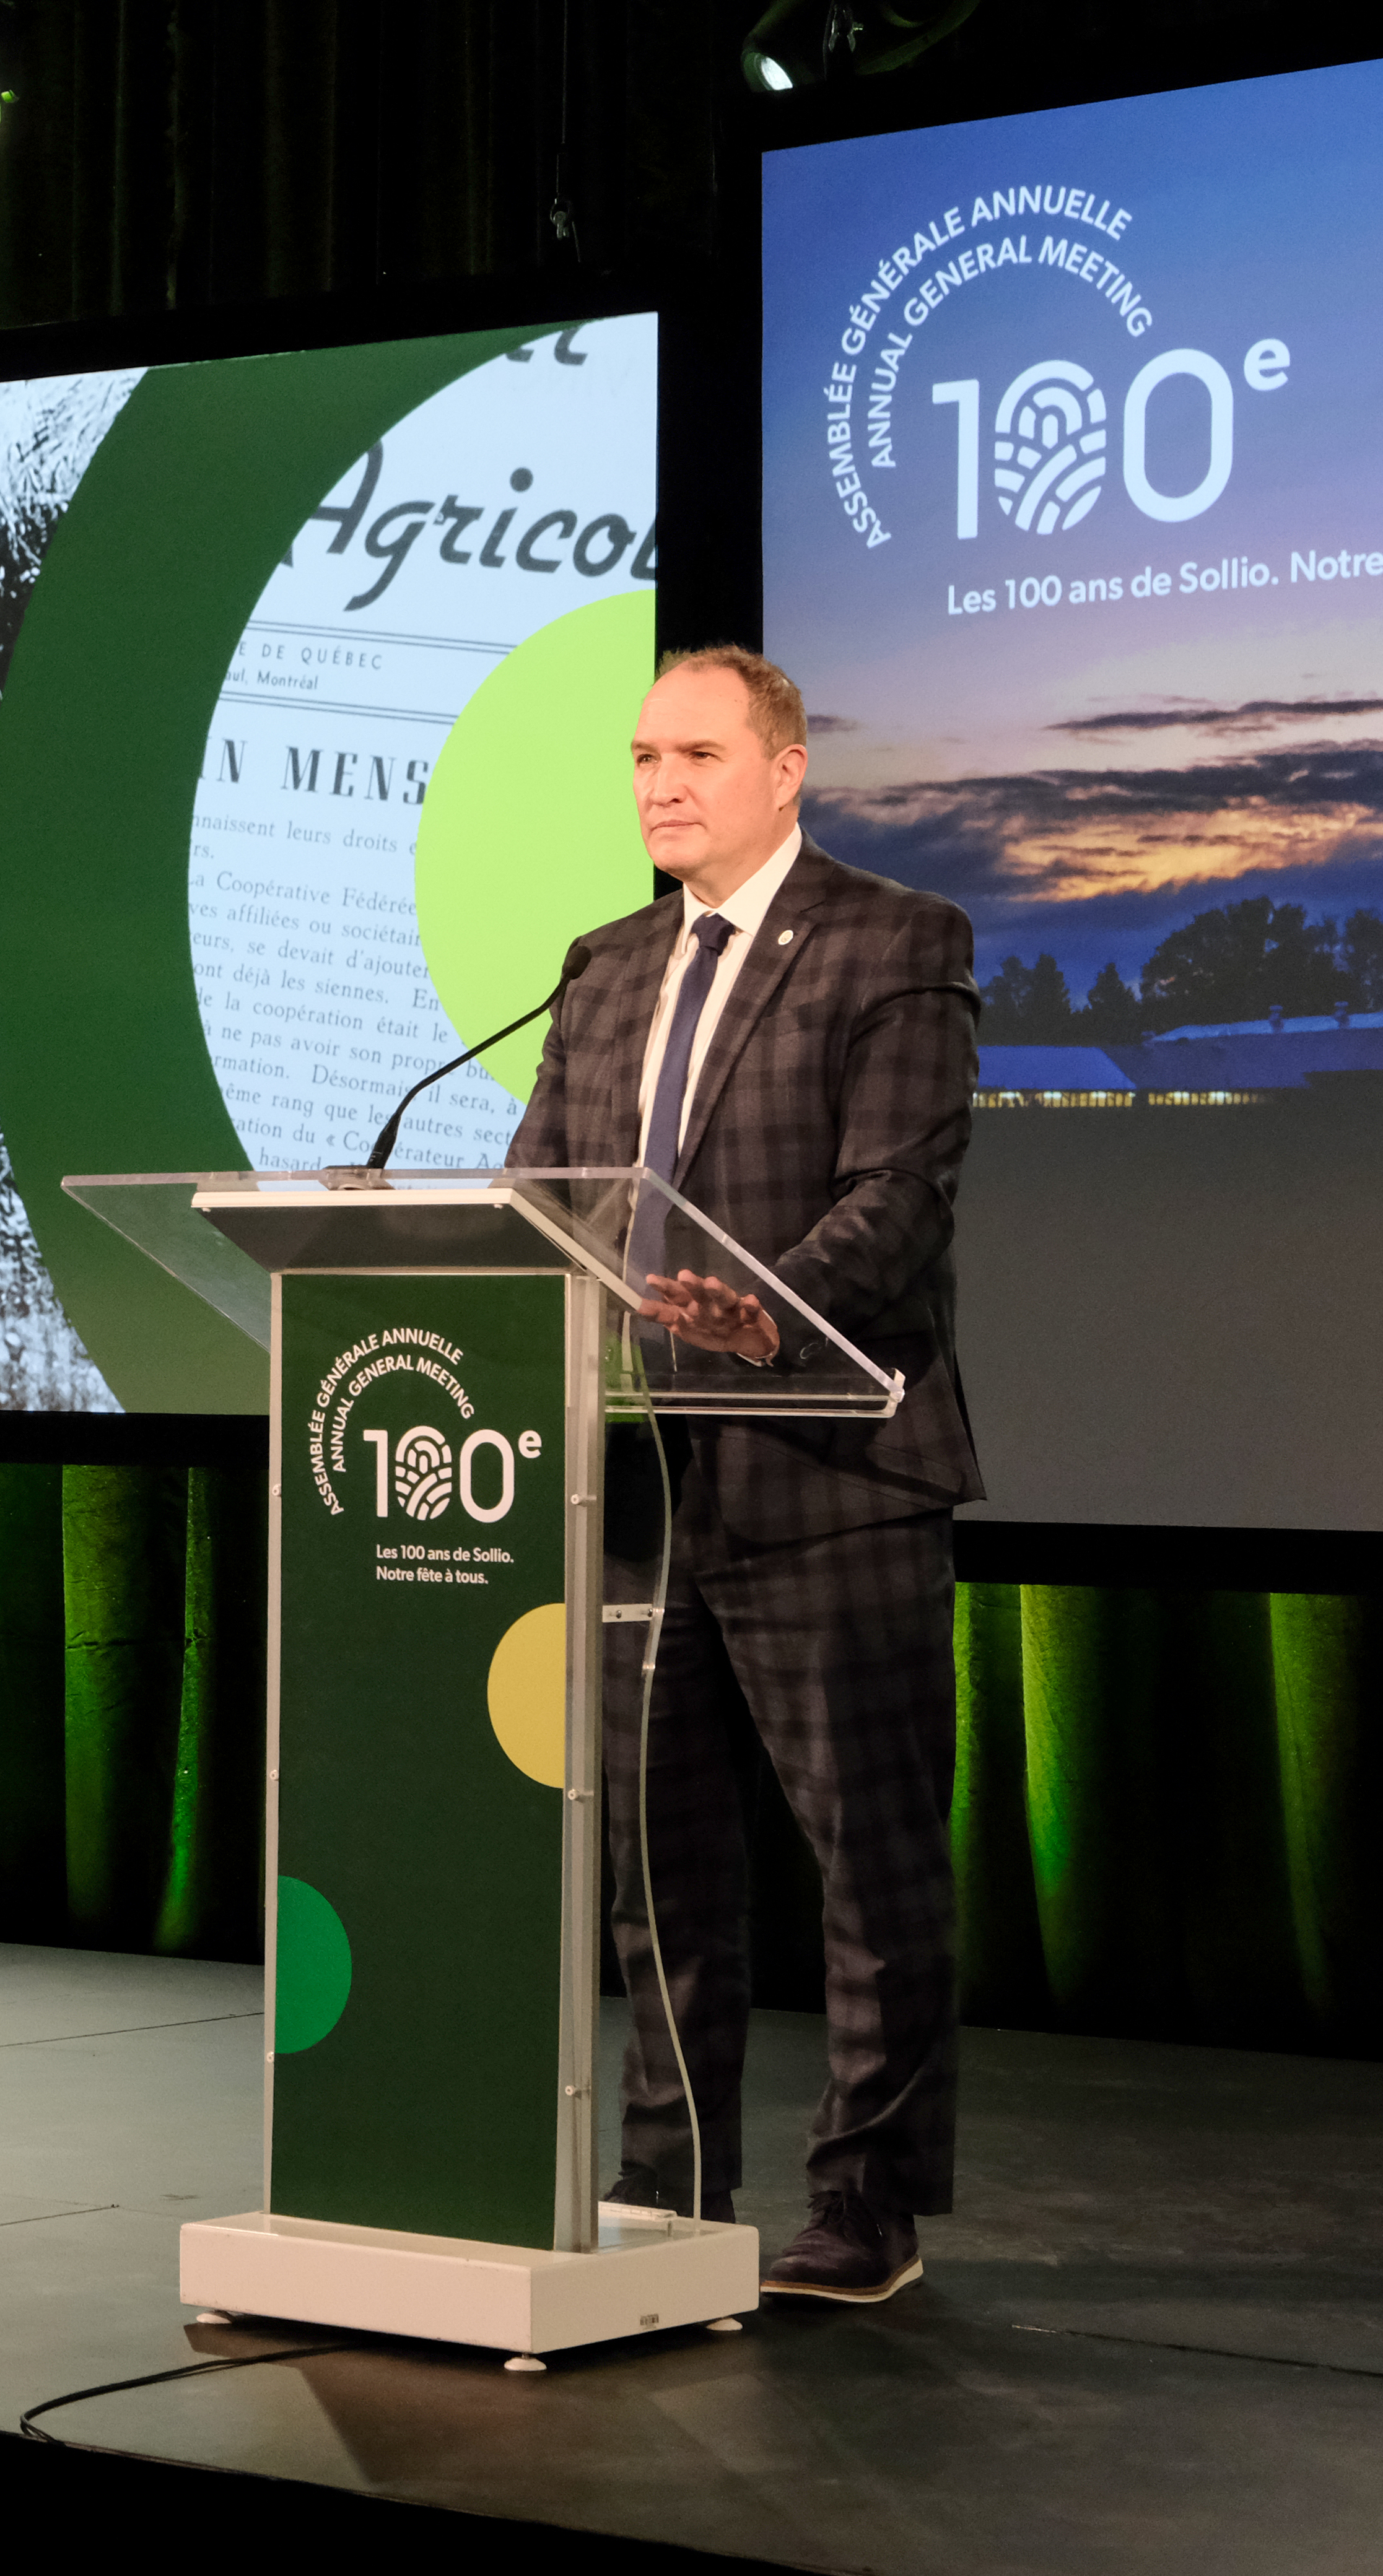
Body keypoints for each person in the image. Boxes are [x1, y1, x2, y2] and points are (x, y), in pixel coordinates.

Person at [507, 645, 980, 2304]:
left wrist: (759, 1310)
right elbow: (542, 1194)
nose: (659, 783)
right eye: (641, 755)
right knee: (660, 1868)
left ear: (786, 769)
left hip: (827, 1470)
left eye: (695, 752)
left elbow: (898, 1201)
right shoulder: (602, 964)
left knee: (872, 1867)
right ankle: (671, 2178)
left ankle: (868, 2204)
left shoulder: (894, 940)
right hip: (636, 1481)